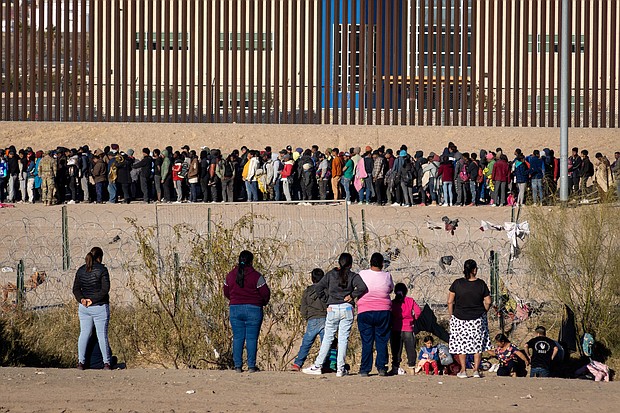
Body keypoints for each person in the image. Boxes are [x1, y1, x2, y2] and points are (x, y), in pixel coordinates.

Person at [302, 253, 368, 377]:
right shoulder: (353, 276)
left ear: (339, 262)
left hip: (332, 308)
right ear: (351, 264)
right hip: (347, 308)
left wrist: (327, 300)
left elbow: (318, 288)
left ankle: (318, 365)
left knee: (328, 338)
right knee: (343, 339)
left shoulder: (330, 275)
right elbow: (362, 287)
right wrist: (352, 296)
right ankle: (340, 368)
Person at [223, 250, 270, 373]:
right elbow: (265, 293)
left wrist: (235, 300)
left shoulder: (230, 275)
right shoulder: (257, 276)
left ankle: (237, 366)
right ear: (251, 261)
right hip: (254, 309)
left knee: (238, 338)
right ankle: (251, 366)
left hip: (235, 309)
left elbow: (226, 292)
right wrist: (261, 302)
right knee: (251, 338)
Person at [447, 259, 492, 378]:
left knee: (462, 345)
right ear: (474, 269)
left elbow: (450, 301)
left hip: (459, 317)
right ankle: (476, 370)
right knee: (477, 345)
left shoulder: (457, 283)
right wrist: (483, 312)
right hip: (477, 318)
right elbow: (488, 301)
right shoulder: (481, 284)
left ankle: (463, 370)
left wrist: (451, 315)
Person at [72, 247, 111, 370]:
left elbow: (76, 289)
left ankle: (81, 362)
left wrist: (82, 299)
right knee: (101, 335)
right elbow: (105, 289)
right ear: (99, 257)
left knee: (84, 334)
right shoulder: (102, 270)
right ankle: (106, 363)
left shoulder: (81, 270)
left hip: (84, 308)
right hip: (99, 306)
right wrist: (92, 300)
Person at [356, 252, 394, 377]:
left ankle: (364, 369)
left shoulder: (362, 274)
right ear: (382, 264)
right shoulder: (387, 276)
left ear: (370, 262)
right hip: (383, 311)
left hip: (365, 310)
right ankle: (381, 367)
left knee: (367, 341)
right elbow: (390, 289)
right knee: (382, 340)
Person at [291, 268, 328, 371]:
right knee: (326, 343)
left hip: (312, 320)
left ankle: (297, 364)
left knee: (306, 343)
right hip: (325, 318)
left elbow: (303, 307)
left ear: (312, 278)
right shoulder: (326, 290)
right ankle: (325, 364)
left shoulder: (307, 291)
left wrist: (307, 316)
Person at [390, 282, 422, 375]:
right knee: (411, 349)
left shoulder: (393, 303)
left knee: (396, 349)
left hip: (396, 328)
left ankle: (395, 367)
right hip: (408, 327)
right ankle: (412, 368)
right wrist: (413, 319)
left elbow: (390, 314)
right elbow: (418, 312)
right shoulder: (410, 300)